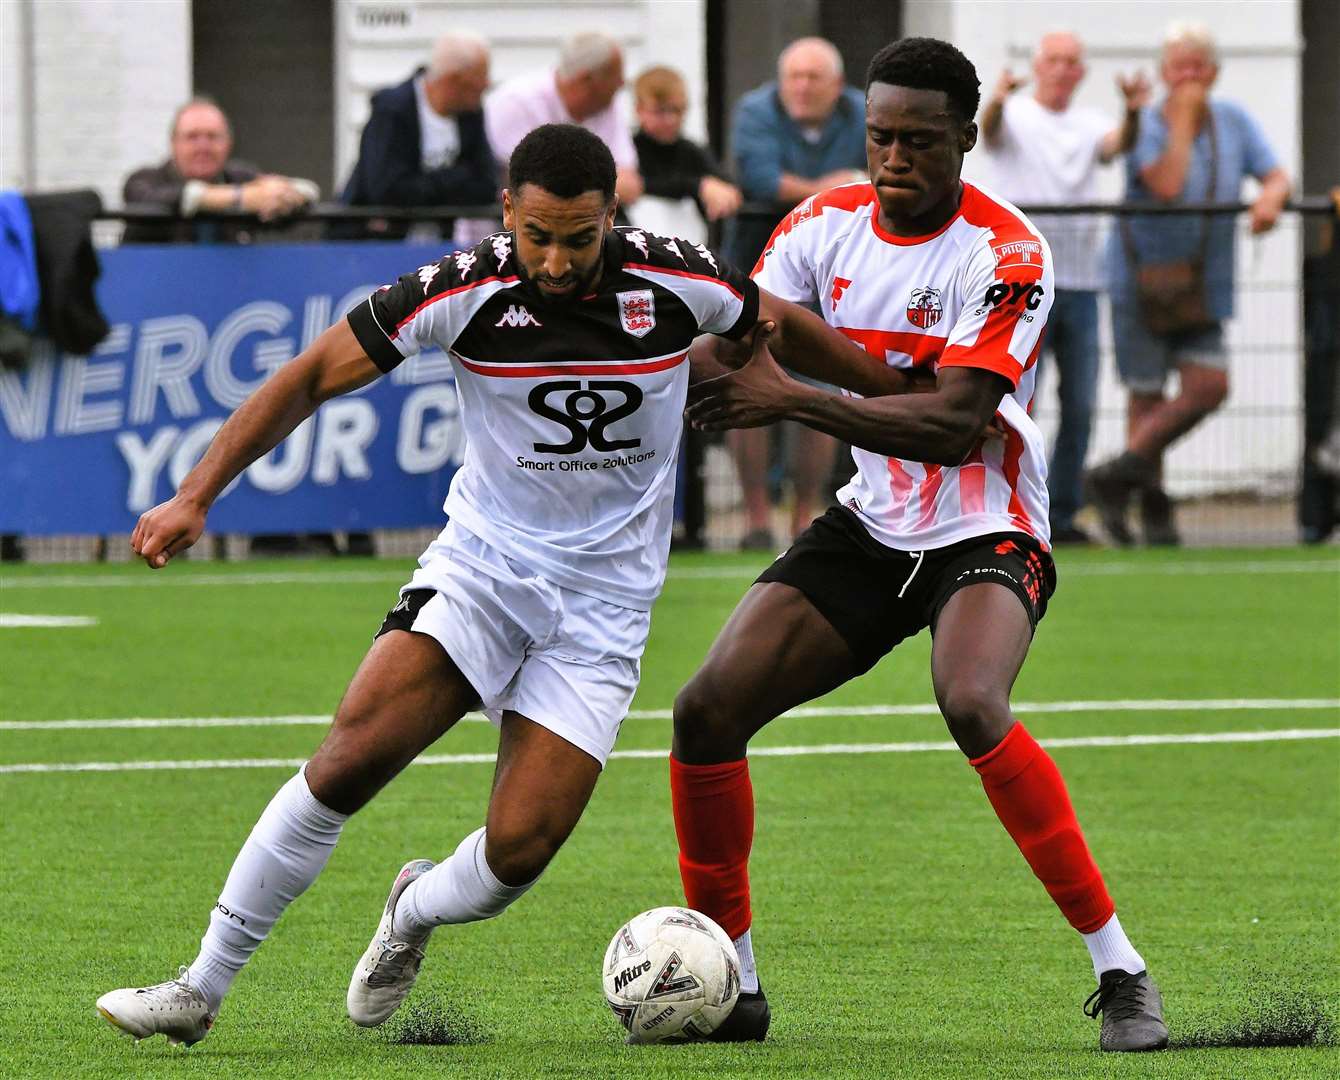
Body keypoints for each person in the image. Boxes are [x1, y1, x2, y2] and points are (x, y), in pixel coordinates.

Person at [92, 123, 932, 1048]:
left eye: (580, 237)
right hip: (483, 571)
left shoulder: (679, 277)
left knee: (517, 854)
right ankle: (199, 987)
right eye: (539, 235)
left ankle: (412, 908)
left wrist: (892, 391)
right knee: (349, 760)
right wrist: (194, 494)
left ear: (613, 216)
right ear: (508, 213)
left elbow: (775, 326)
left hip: (604, 611)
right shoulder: (460, 289)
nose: (559, 260)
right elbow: (305, 378)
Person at [671, 38, 1168, 1052]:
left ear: (965, 139)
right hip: (870, 525)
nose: (892, 157)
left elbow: (949, 426)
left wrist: (795, 395)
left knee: (970, 698)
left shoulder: (1007, 254)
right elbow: (748, 343)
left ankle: (1119, 971)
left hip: (985, 527)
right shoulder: (818, 226)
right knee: (704, 712)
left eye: (917, 140)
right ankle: (730, 984)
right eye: (877, 138)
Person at [1085, 21, 1290, 546]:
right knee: (1146, 393)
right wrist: (1181, 118)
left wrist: (1270, 196)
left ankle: (1117, 475)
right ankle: (1151, 506)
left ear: (1216, 72)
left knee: (1209, 385)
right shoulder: (1148, 124)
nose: (1189, 79)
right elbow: (1169, 184)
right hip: (1140, 279)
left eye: (1199, 68)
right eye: (1180, 68)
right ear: (1162, 74)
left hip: (1204, 281)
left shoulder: (1236, 121)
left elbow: (1275, 173)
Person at [979, 33, 1150, 544]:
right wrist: (1000, 97)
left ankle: (1064, 512)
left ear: (1080, 72)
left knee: (1079, 405)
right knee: (1014, 402)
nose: (1061, 69)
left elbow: (1118, 144)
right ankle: (1005, 504)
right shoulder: (1015, 116)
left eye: (1071, 62)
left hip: (1078, 283)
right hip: (1022, 285)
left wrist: (1135, 111)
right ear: (1039, 66)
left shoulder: (1091, 123)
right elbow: (990, 131)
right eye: (1053, 60)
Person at [724, 37, 867, 549]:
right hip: (757, 264)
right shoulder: (755, 110)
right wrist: (842, 185)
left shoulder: (862, 109)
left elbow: (880, 178)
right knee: (747, 384)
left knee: (822, 389)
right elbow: (761, 180)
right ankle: (757, 519)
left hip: (835, 271)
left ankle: (805, 515)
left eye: (815, 78)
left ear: (837, 84)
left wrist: (813, 186)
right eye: (795, 78)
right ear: (781, 82)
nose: (803, 87)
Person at [340, 32, 497, 239]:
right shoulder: (393, 110)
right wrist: (457, 177)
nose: (487, 85)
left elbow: (486, 185)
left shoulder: (471, 113)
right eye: (480, 79)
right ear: (453, 81)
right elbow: (387, 190)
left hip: (438, 245)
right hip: (376, 242)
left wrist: (421, 185)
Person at [123, 97, 317, 244]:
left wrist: (286, 196)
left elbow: (306, 190)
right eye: (192, 137)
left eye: (213, 137)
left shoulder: (240, 176)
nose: (203, 147)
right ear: (173, 144)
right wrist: (241, 198)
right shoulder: (144, 180)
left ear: (229, 143)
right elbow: (156, 198)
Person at [486, 32, 644, 209]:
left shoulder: (605, 105)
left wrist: (571, 181)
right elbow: (531, 185)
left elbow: (629, 186)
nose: (622, 83)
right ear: (586, 79)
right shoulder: (515, 104)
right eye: (615, 75)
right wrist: (599, 181)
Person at [632, 66, 742, 225]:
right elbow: (641, 184)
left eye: (677, 110)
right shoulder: (629, 151)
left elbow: (726, 185)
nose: (670, 120)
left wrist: (724, 193)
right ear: (639, 109)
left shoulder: (691, 151)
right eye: (660, 111)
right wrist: (697, 186)